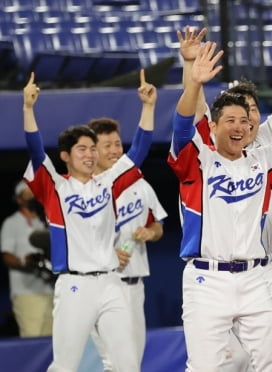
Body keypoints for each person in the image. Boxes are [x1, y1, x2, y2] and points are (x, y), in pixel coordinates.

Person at [167, 41, 272, 371]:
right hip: (207, 279)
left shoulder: (265, 157)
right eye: (229, 120)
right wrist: (194, 81)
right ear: (212, 126)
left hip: (256, 277)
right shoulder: (196, 160)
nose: (239, 126)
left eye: (245, 121)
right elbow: (181, 124)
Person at [22, 70, 155, 372]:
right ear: (66, 156)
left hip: (111, 283)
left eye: (93, 148)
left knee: (127, 365)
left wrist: (148, 107)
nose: (91, 154)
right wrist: (28, 109)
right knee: (65, 366)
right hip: (74, 286)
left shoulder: (108, 182)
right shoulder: (55, 186)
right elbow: (34, 148)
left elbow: (138, 152)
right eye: (82, 149)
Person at [87, 118, 168, 371]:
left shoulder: (138, 184)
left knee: (133, 362)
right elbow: (72, 242)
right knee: (117, 363)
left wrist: (150, 232)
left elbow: (158, 227)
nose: (114, 150)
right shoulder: (83, 191)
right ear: (92, 150)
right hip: (101, 284)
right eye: (106, 145)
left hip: (135, 284)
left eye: (116, 144)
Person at [1, 181, 53, 337]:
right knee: (33, 339)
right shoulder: (12, 223)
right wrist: (26, 263)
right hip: (27, 293)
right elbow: (6, 256)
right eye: (27, 193)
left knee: (54, 342)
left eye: (34, 192)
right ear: (19, 199)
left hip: (52, 290)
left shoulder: (46, 220)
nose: (32, 196)